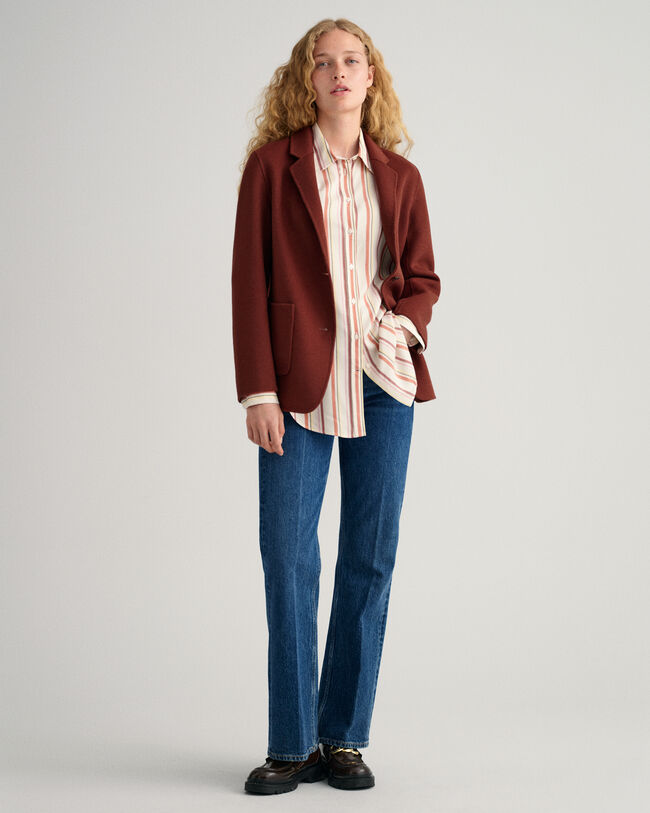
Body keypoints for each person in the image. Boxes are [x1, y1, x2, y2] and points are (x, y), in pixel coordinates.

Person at [231, 18, 441, 795]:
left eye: (352, 60)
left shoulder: (401, 176)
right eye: (324, 62)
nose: (339, 72)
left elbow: (423, 276)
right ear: (307, 80)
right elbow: (248, 281)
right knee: (288, 556)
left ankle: (344, 736)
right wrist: (257, 389)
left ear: (370, 77)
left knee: (368, 558)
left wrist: (401, 327)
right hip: (295, 386)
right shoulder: (271, 168)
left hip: (384, 383)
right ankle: (292, 744)